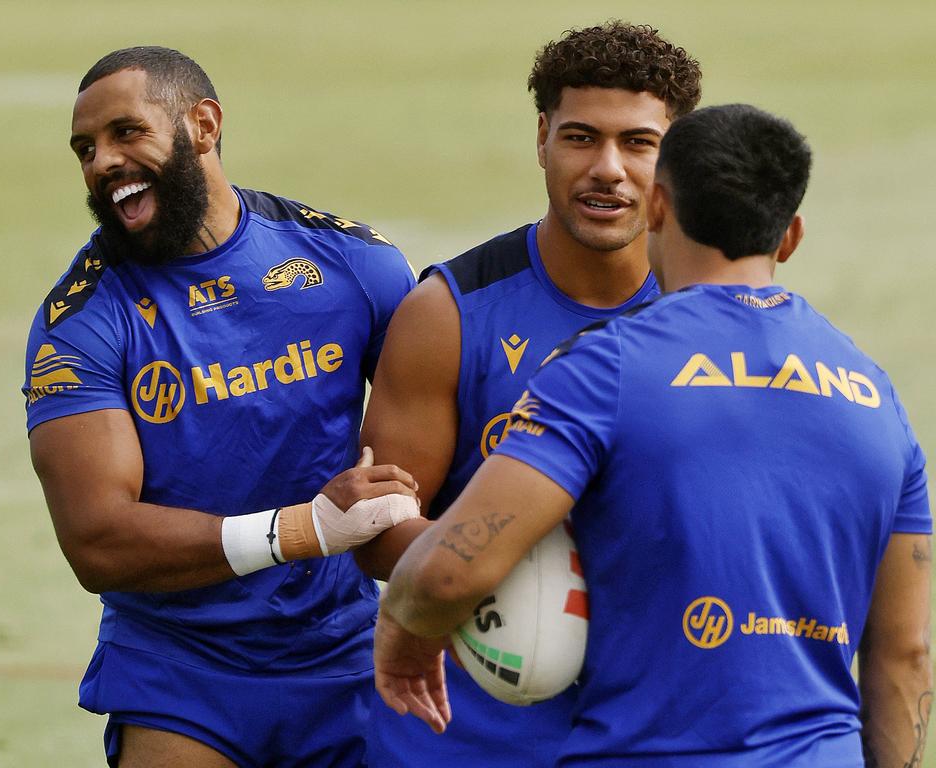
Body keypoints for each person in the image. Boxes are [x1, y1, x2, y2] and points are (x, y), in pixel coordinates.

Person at [374, 103, 932, 766]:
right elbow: (906, 653)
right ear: (790, 237)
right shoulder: (874, 395)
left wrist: (405, 628)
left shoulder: (603, 368)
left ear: (659, 207)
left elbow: (447, 575)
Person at [22, 46, 421, 768]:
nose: (101, 162)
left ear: (202, 125)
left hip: (348, 652)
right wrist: (302, 530)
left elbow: (437, 438)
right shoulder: (79, 321)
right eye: (85, 149)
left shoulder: (350, 265)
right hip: (179, 670)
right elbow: (98, 541)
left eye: (125, 133)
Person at [355, 22, 702, 766]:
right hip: (460, 735)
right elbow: (382, 530)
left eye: (638, 143)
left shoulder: (712, 324)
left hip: (647, 730)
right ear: (542, 137)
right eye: (581, 137)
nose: (607, 169)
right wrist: (501, 561)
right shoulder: (449, 313)